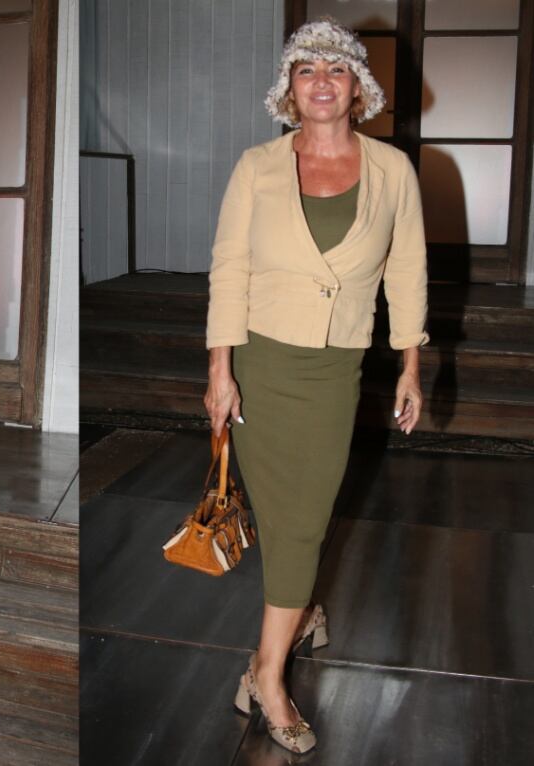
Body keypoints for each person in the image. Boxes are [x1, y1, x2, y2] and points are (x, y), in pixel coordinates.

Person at [204, 18, 427, 754]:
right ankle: (268, 673)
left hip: (335, 369)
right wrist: (220, 371)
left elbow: (407, 271)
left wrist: (410, 365)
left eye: (336, 69)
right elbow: (229, 268)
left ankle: (281, 640)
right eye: (307, 70)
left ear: (357, 87)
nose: (322, 82)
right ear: (289, 90)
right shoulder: (257, 166)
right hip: (262, 363)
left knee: (306, 515)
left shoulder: (392, 170)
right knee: (288, 519)